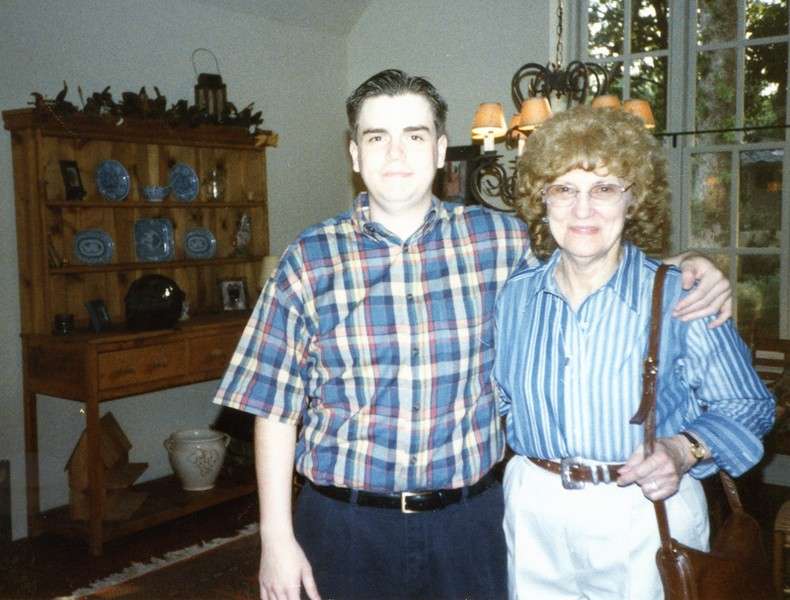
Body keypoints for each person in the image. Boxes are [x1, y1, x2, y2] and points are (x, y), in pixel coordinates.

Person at [213, 70, 732, 600]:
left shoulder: (500, 240)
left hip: (468, 523)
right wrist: (275, 538)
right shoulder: (308, 259)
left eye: (415, 135)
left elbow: (592, 256)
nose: (396, 154)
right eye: (377, 137)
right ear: (354, 153)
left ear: (441, 150)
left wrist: (686, 263)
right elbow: (274, 408)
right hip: (345, 525)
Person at [493, 105, 775, 600]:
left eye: (604, 188)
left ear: (633, 199)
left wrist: (683, 449)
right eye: (564, 189)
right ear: (542, 200)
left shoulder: (678, 295)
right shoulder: (515, 296)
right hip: (534, 510)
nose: (583, 209)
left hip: (644, 513)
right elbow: (499, 399)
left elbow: (749, 404)